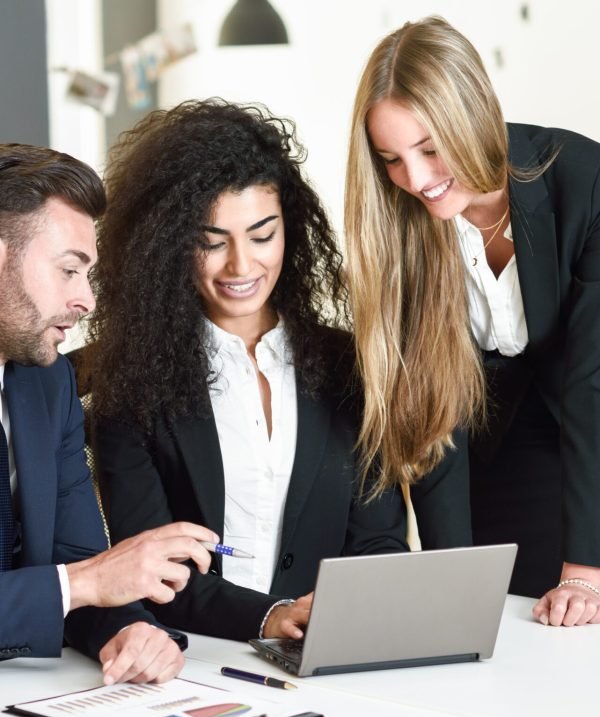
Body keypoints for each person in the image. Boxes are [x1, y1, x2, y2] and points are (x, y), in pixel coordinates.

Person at [84, 99, 471, 643]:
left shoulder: (348, 366)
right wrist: (267, 617)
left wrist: (348, 609)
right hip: (192, 655)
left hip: (328, 652)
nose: (241, 266)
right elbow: (147, 567)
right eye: (210, 243)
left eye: (262, 236)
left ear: (292, 231)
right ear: (167, 247)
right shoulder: (133, 383)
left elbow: (377, 539)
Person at [344, 15, 600, 626]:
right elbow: (438, 406)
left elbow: (593, 383)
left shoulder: (584, 181)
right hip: (494, 438)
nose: (417, 180)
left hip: (587, 421)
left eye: (430, 148)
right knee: (481, 616)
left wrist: (585, 572)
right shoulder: (405, 223)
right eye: (393, 159)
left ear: (472, 112)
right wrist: (447, 578)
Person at [0, 143, 221, 683]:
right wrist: (85, 583)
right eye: (70, 271)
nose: (87, 301)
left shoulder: (48, 385)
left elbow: (81, 561)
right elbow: (83, 579)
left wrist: (129, 631)